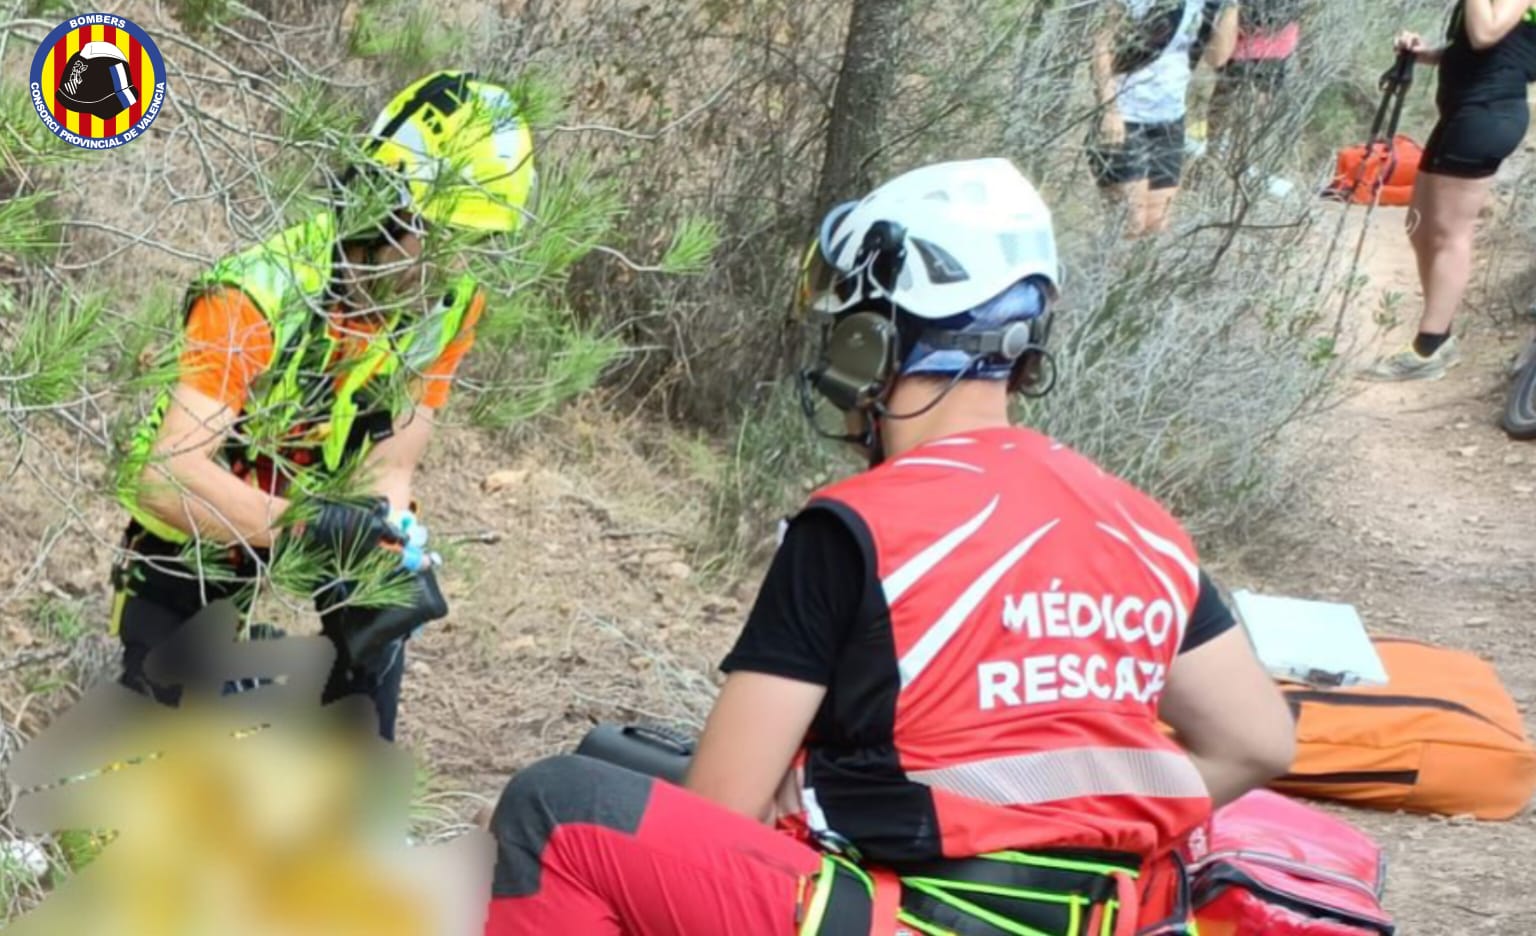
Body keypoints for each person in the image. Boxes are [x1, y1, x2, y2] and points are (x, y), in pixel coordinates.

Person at [482, 159, 1295, 935]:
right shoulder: (1140, 525)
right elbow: (1256, 741)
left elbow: (720, 812)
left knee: (557, 804)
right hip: (1103, 916)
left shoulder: (857, 526)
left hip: (907, 917)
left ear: (874, 339)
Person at [111, 70, 536, 741]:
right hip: (200, 524)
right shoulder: (257, 293)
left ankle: (356, 796)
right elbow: (167, 478)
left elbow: (391, 470)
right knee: (179, 743)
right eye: (441, 238)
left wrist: (388, 542)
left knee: (381, 620)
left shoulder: (451, 306)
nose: (450, 271)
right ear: (380, 204)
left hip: (322, 507)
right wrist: (313, 529)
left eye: (474, 245)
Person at [1365, 1, 1536, 381]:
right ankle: (1437, 334)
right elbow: (1477, 46)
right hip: (1463, 110)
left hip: (1488, 112)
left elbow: (1485, 33)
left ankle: (1430, 347)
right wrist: (1424, 54)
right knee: (1419, 224)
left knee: (1449, 233)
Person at [1091, 0, 1239, 236]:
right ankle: (1101, 269)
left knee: (1156, 225)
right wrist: (1109, 109)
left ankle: (1132, 272)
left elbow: (1217, 59)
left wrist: (1232, 5)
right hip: (1126, 113)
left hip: (1169, 119)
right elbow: (1101, 43)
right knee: (1130, 223)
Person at [1205, 0, 1305, 148]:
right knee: (1234, 109)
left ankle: (1222, 149)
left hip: (1267, 42)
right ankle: (1220, 149)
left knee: (1243, 110)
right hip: (1263, 42)